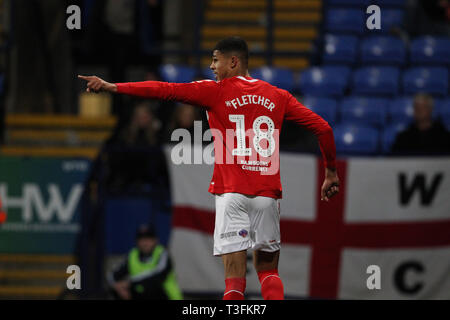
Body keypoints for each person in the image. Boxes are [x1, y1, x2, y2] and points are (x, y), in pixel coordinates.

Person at [79, 36, 340, 300]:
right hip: (266, 195)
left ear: (233, 61)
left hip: (231, 195)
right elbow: (323, 128)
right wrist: (330, 172)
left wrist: (114, 87)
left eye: (216, 60)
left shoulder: (214, 91)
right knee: (269, 273)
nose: (212, 66)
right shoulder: (279, 96)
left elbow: (164, 89)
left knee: (234, 284)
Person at [107, 224, 183, 300]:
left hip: (165, 295)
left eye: (148, 239)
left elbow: (156, 277)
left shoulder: (162, 254)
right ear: (137, 241)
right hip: (142, 294)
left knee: (149, 287)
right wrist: (119, 288)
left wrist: (129, 283)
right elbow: (112, 276)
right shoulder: (132, 255)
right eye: (141, 239)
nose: (145, 243)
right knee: (116, 290)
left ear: (156, 240)